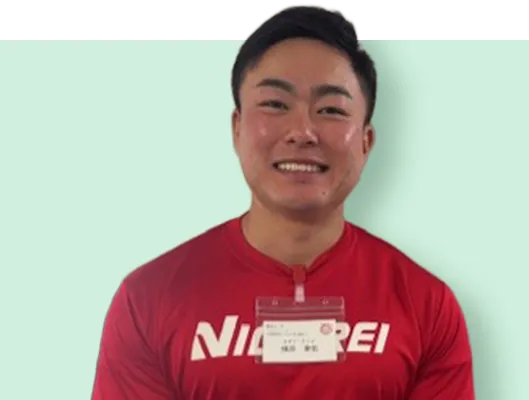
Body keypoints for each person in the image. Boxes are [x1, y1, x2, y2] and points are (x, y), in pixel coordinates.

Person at [91, 5, 475, 400]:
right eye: (275, 104)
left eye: (331, 110)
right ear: (237, 127)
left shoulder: (427, 306)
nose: (302, 131)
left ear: (366, 142)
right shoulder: (149, 299)